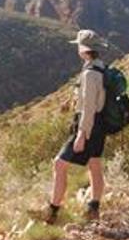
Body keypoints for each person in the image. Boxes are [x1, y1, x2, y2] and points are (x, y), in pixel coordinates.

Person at [41, 29, 109, 224]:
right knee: (95, 164)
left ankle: (52, 212)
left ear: (84, 50)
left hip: (86, 125)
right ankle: (93, 209)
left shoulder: (89, 74)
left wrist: (81, 134)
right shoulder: (101, 68)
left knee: (59, 164)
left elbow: (88, 107)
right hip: (100, 124)